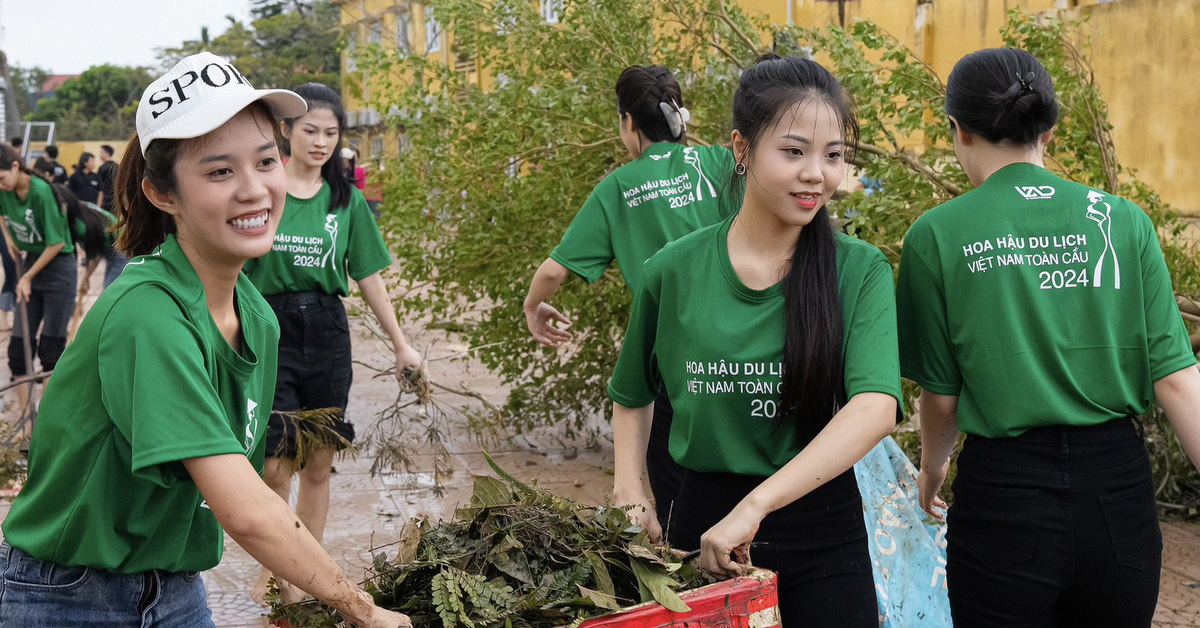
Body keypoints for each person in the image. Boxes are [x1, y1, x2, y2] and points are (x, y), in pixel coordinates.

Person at [0, 52, 411, 628]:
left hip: (174, 585)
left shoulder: (256, 318)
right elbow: (246, 513)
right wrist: (364, 609)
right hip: (68, 594)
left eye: (266, 161)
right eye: (220, 172)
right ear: (163, 194)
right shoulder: (148, 316)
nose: (255, 190)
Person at [897, 47, 1200, 627]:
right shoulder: (1123, 219)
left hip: (1004, 499)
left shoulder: (935, 236)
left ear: (956, 130)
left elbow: (941, 399)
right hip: (1118, 495)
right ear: (1051, 131)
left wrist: (933, 468)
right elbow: (1180, 383)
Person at [609, 54, 900, 625]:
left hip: (822, 529)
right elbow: (632, 391)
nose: (816, 173)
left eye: (833, 155)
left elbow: (876, 406)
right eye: (793, 151)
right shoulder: (673, 269)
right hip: (702, 530)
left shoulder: (860, 270)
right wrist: (630, 488)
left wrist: (758, 504)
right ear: (742, 149)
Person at [525, 65, 734, 530]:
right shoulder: (721, 162)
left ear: (628, 124)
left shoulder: (617, 188)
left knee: (678, 501)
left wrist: (531, 307)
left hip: (671, 362)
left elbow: (555, 270)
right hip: (744, 348)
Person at [242, 82, 422, 605]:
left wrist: (401, 345)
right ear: (286, 132)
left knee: (319, 462)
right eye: (310, 131)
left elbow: (367, 275)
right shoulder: (265, 191)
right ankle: (274, 572)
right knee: (275, 465)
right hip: (268, 326)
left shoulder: (345, 201)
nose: (321, 142)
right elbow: (234, 265)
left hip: (326, 330)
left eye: (331, 133)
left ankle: (307, 574)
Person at [0, 142, 77, 424]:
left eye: (1, 177)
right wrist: (9, 239)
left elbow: (56, 243)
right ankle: (25, 421)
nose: (0, 185)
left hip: (58, 269)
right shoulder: (3, 190)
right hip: (30, 261)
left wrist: (27, 277)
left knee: (50, 351)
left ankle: (45, 423)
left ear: (16, 166)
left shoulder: (42, 192)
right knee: (19, 351)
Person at [52, 183, 127, 293]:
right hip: (113, 245)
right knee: (110, 284)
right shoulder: (80, 207)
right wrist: (86, 278)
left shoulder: (80, 226)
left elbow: (95, 257)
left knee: (109, 290)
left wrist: (86, 278)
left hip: (121, 247)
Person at [98, 144, 118, 212]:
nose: (100, 154)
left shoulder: (102, 168)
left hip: (105, 199)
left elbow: (100, 184)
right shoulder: (117, 166)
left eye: (101, 152)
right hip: (116, 198)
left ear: (107, 153)